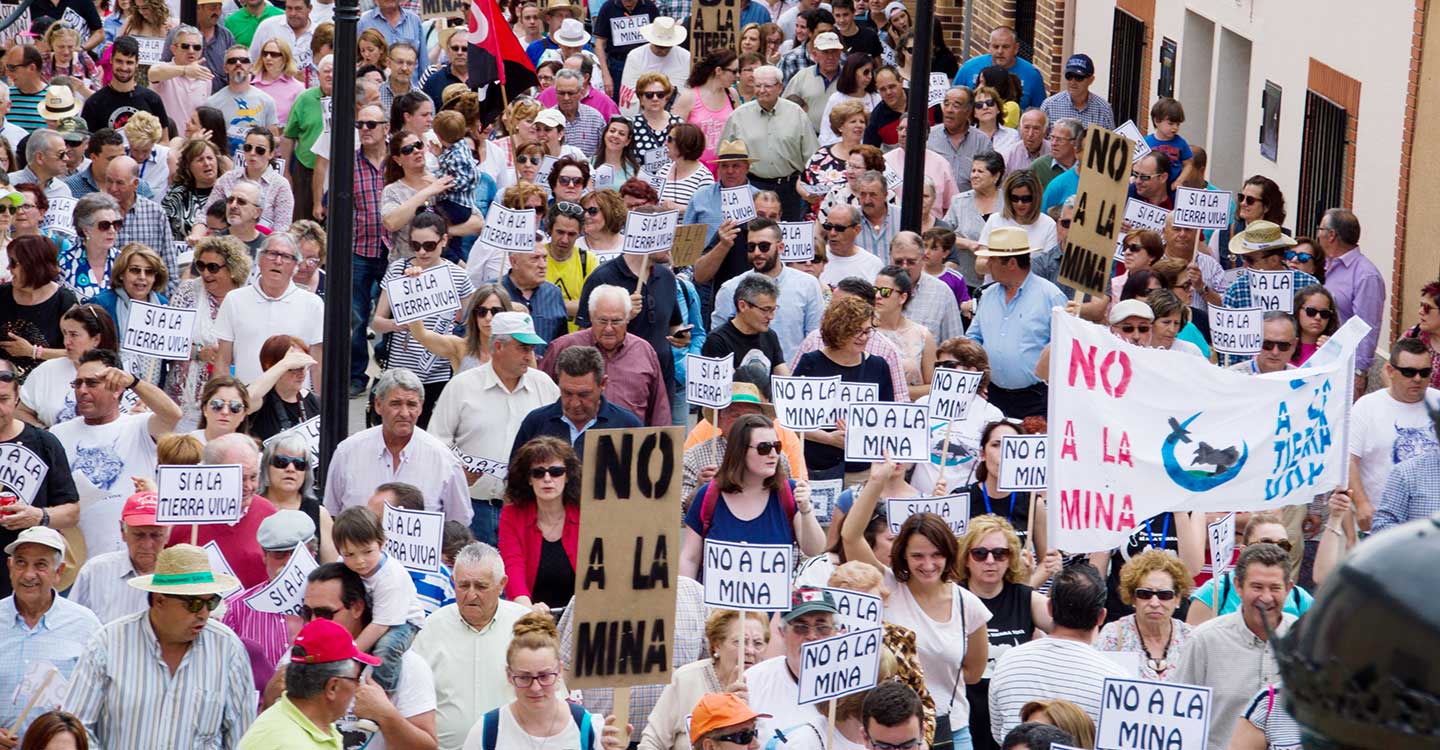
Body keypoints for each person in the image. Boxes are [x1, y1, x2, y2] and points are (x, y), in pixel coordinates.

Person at [841, 455, 989, 750]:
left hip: (951, 731)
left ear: (948, 554)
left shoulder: (968, 605)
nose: (928, 564)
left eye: (936, 555)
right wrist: (876, 481)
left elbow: (973, 672)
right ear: (903, 556)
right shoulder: (888, 586)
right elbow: (850, 535)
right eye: (917, 556)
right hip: (891, 736)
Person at [64, 544, 253, 747]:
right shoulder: (108, 644)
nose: (204, 613)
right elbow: (76, 728)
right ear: (160, 601)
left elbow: (243, 736)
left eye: (211, 602)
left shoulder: (227, 649)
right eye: (194, 604)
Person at [51, 348, 180, 557]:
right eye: (78, 383)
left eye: (92, 383)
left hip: (133, 554)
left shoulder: (140, 426)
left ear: (117, 388)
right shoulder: (57, 434)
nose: (82, 390)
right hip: (76, 559)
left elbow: (173, 415)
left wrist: (134, 383)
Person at [987, 563, 1126, 743]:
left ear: (1050, 608)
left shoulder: (1009, 660)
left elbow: (1000, 735)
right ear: (1101, 617)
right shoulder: (1116, 678)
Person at [1175, 543, 1295, 750]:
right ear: (1238, 586)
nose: (1266, 598)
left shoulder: (1307, 640)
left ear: (1289, 588)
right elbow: (1179, 719)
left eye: (1275, 588)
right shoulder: (1204, 641)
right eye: (1257, 587)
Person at [411, 542, 529, 750]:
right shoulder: (429, 630)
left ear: (502, 584)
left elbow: (551, 696)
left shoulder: (526, 627)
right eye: (463, 585)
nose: (471, 595)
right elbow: (412, 700)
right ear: (453, 581)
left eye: (481, 586)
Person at [679, 412, 823, 576]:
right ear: (739, 451)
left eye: (777, 446)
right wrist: (686, 597)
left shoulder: (790, 493)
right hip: (714, 601)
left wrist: (806, 510)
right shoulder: (708, 495)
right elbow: (690, 558)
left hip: (775, 600)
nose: (773, 454)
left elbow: (814, 549)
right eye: (764, 448)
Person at [325, 368, 473, 525]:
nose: (404, 413)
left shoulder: (444, 460)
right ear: (378, 405)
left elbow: (459, 523)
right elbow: (330, 516)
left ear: (421, 407)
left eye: (411, 404)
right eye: (396, 404)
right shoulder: (347, 452)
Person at [955, 514, 1051, 750]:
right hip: (965, 713)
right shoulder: (952, 597)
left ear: (1010, 559)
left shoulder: (1026, 598)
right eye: (980, 553)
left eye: (1000, 554)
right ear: (966, 558)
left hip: (1012, 715)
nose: (990, 561)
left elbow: (1069, 629)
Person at [0, 526, 100, 741]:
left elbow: (99, 700)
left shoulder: (85, 625)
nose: (28, 574)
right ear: (10, 567)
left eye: (41, 565)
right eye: (21, 563)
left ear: (59, 572)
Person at [792, 295, 898, 475]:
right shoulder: (811, 363)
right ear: (838, 330)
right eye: (857, 331)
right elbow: (792, 419)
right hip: (816, 467)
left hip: (861, 469)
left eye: (868, 331)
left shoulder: (878, 366)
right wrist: (827, 438)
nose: (864, 337)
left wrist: (860, 432)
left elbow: (887, 420)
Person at [969, 227, 1067, 418]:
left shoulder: (1051, 296)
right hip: (992, 396)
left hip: (1036, 399)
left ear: (1011, 263)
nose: (987, 264)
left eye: (992, 259)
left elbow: (1064, 349)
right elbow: (974, 338)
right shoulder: (987, 295)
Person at [237, 616, 377, 749]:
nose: (359, 687)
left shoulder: (315, 724)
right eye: (356, 679)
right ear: (332, 687)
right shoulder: (292, 743)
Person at [541, 285, 671, 425]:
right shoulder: (562, 348)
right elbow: (539, 395)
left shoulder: (644, 351)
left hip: (629, 442)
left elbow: (659, 411)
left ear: (628, 318)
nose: (609, 328)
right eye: (602, 321)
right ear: (591, 317)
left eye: (616, 321)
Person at [639, 609, 768, 750]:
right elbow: (652, 743)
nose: (750, 650)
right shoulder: (687, 679)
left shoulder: (771, 686)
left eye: (758, 643)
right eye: (740, 642)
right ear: (717, 644)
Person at [329, 506, 425, 695]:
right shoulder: (342, 566)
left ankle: (382, 695)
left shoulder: (391, 577)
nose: (360, 561)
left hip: (403, 622)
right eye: (350, 554)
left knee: (385, 649)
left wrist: (350, 652)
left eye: (367, 551)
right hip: (373, 616)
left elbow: (381, 625)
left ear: (381, 544)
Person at [1351, 337, 1440, 531]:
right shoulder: (1367, 407)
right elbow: (1349, 461)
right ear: (1391, 371)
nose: (1417, 378)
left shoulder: (1438, 403)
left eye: (1424, 373)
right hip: (1381, 521)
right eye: (1409, 372)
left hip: (1430, 526)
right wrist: (1361, 503)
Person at [710, 218, 825, 362]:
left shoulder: (807, 285)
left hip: (793, 377)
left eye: (764, 246)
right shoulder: (730, 289)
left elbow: (815, 339)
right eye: (751, 247)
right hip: (742, 379)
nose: (757, 252)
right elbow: (718, 343)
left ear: (780, 247)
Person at [219, 509, 314, 681]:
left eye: (295, 554)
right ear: (264, 556)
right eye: (279, 555)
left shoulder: (335, 603)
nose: (287, 562)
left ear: (312, 553)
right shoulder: (236, 609)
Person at [742, 588, 839, 748]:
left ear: (835, 632)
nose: (812, 636)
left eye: (822, 627)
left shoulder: (850, 686)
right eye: (801, 627)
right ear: (782, 632)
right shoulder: (753, 680)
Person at [721, 65, 817, 221]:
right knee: (753, 236)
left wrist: (810, 188)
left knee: (787, 236)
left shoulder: (796, 113)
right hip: (752, 187)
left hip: (790, 188)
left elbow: (811, 155)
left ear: (780, 87)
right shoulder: (738, 116)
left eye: (767, 86)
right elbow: (724, 156)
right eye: (758, 85)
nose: (761, 90)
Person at [497, 436, 580, 612]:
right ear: (528, 479)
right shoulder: (512, 515)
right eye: (538, 473)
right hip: (531, 613)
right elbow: (512, 565)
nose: (547, 479)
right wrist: (527, 610)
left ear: (567, 476)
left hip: (581, 615)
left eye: (556, 472)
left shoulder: (585, 512)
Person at [1093, 550, 1194, 683]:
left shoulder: (1191, 638)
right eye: (1145, 594)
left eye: (1164, 595)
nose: (1154, 603)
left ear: (1177, 599)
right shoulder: (1113, 635)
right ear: (1133, 598)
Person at [67, 490, 162, 625]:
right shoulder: (95, 571)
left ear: (167, 533)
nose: (147, 545)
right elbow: (72, 624)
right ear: (123, 531)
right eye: (139, 535)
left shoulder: (180, 576)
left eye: (156, 535)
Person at [1317, 208, 1385, 390]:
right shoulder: (1322, 264)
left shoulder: (1366, 275)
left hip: (1343, 368)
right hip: (1316, 360)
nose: (1318, 234)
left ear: (1331, 235)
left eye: (1320, 229)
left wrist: (1358, 373)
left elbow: (1367, 327)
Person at [1, 236, 81, 386]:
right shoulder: (2, 295)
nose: (8, 268)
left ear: (32, 265)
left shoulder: (64, 301)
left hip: (49, 386)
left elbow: (80, 352)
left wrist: (33, 352)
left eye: (13, 263)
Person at [620, 19, 690, 109]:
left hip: (674, 109)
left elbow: (684, 90)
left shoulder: (685, 57)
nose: (663, 50)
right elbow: (629, 91)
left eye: (667, 47)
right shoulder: (635, 56)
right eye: (659, 46)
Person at [1039, 54, 1113, 129]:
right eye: (1069, 76)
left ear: (1091, 80)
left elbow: (1112, 139)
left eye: (1079, 77)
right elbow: (1040, 138)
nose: (1072, 82)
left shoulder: (1104, 109)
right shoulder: (1049, 105)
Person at [1292, 284, 1339, 366]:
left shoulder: (1336, 348)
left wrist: (1332, 356)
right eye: (1311, 311)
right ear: (1297, 310)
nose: (1318, 317)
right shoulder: (1282, 345)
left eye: (1324, 313)